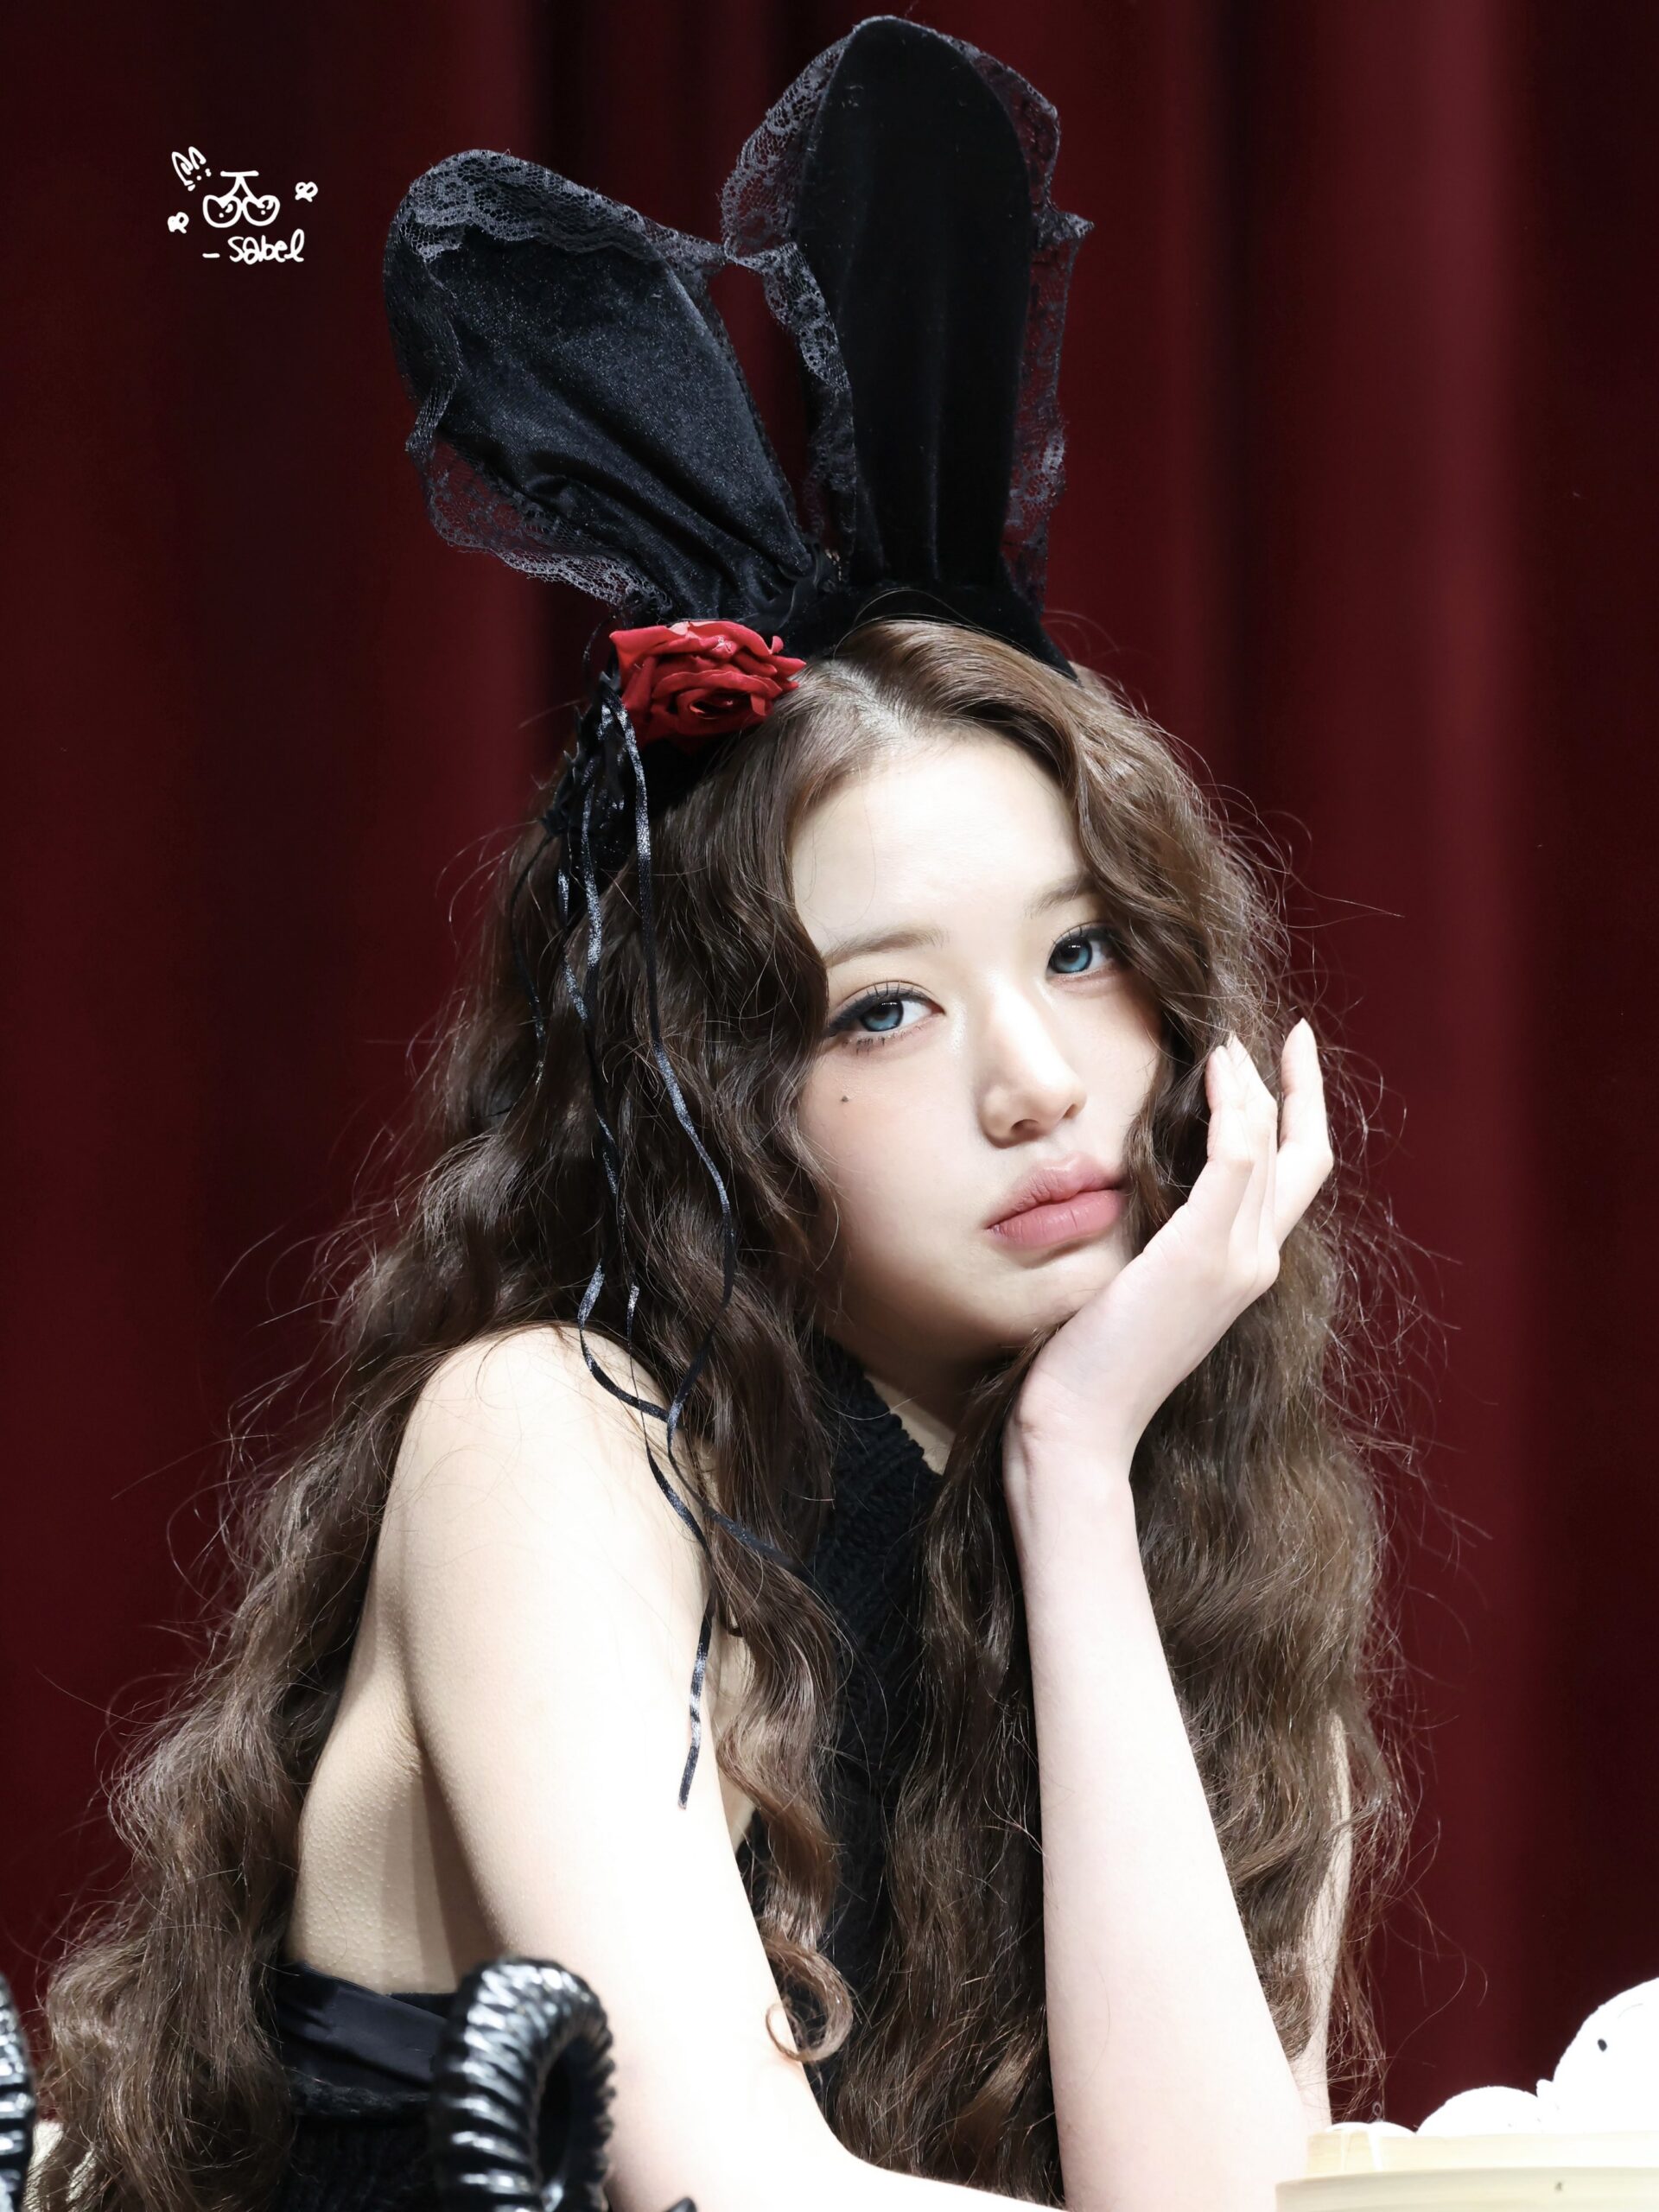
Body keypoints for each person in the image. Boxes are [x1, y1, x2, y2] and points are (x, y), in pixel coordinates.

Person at [30, 20, 1410, 2212]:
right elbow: (733, 2188)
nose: (1037, 1076)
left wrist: (1074, 1471)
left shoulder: (1200, 1534)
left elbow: (1220, 2196)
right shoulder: (553, 1435)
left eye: (1082, 952)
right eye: (885, 1007)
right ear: (711, 1089)